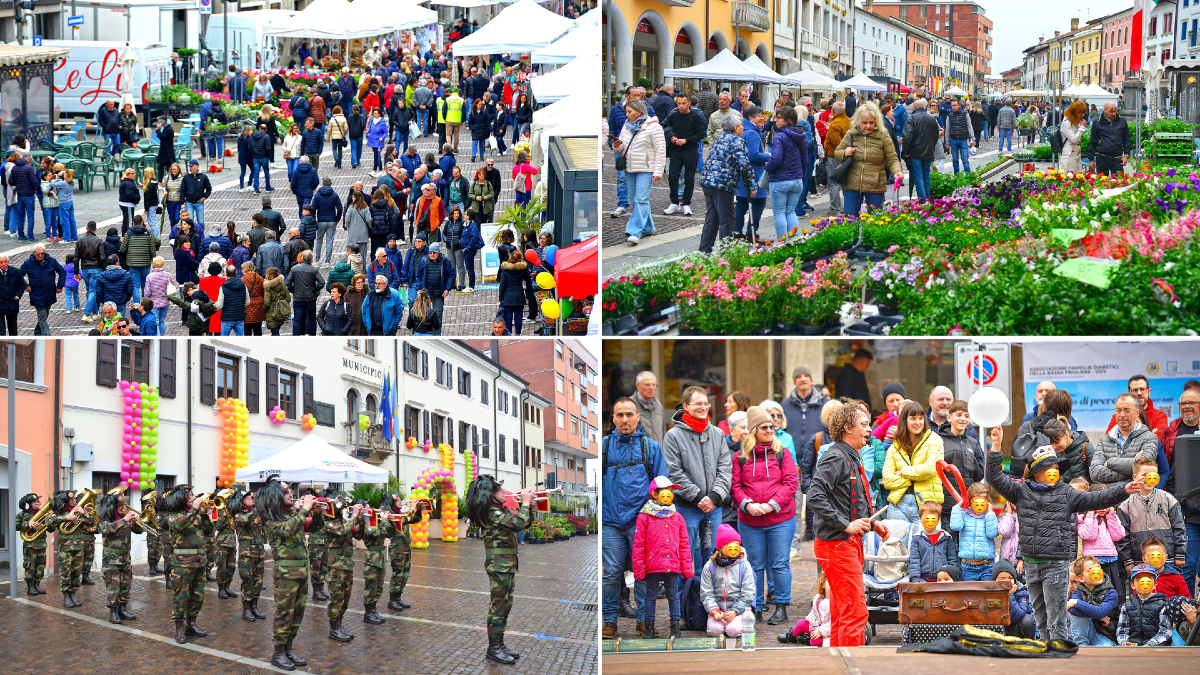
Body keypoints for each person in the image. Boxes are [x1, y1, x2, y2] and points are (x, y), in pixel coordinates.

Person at [988, 430, 1144, 641]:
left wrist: (1123, 490)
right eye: (1049, 468)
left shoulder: (1066, 493)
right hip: (1032, 564)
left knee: (1057, 615)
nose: (1054, 471)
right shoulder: (1020, 491)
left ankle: (1060, 649)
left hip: (1056, 563)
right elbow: (994, 477)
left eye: (1056, 468)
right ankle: (1047, 650)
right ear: (1036, 470)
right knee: (1040, 615)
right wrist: (996, 445)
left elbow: (1097, 498)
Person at [806, 401, 889, 645]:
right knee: (855, 612)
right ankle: (854, 666)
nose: (869, 430)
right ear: (846, 428)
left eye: (869, 424)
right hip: (837, 545)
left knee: (844, 612)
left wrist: (872, 524)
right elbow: (814, 496)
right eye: (863, 425)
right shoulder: (836, 457)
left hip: (845, 544)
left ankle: (840, 663)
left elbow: (849, 501)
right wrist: (846, 525)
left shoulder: (851, 456)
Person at [601, 396, 670, 638]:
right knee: (611, 573)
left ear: (638, 417)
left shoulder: (650, 448)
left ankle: (644, 620)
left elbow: (662, 487)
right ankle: (609, 620)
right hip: (610, 522)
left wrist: (658, 519)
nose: (625, 419)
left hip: (642, 522)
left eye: (629, 414)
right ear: (613, 419)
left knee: (643, 573)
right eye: (619, 415)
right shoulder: (604, 447)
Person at [733, 405, 799, 625]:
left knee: (780, 564)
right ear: (753, 430)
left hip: (780, 519)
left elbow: (791, 483)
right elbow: (735, 485)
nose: (770, 430)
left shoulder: (782, 453)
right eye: (764, 427)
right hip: (750, 521)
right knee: (754, 565)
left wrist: (771, 505)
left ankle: (781, 607)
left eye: (771, 426)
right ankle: (756, 607)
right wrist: (746, 504)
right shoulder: (740, 457)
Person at [664, 385, 733, 575]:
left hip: (714, 507)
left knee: (714, 556)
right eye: (698, 404)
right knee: (686, 557)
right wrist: (698, 497)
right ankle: (687, 602)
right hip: (687, 507)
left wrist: (713, 496)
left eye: (706, 403)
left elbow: (725, 469)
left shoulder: (718, 434)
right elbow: (674, 472)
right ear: (686, 406)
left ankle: (709, 602)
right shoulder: (673, 436)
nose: (703, 407)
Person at [464, 474, 533, 664]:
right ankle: (493, 649)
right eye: (499, 490)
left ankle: (500, 644)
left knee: (506, 605)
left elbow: (524, 523)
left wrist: (527, 505)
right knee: (498, 607)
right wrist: (525, 504)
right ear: (491, 495)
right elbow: (517, 524)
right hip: (499, 565)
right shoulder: (491, 513)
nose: (504, 492)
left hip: (507, 564)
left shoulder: (499, 510)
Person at [256, 477, 318, 670]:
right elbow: (288, 530)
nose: (291, 494)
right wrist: (304, 509)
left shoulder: (292, 514)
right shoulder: (272, 519)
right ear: (275, 497)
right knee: (284, 613)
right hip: (285, 573)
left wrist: (317, 514)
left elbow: (314, 528)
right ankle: (278, 653)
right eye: (286, 492)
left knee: (298, 614)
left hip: (301, 571)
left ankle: (289, 650)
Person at [632, 475, 693, 639]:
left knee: (673, 596)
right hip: (653, 565)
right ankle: (649, 628)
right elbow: (638, 544)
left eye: (671, 492)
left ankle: (675, 628)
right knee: (650, 596)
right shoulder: (644, 516)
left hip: (672, 564)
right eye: (665, 492)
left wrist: (687, 568)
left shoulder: (677, 517)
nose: (669, 495)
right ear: (655, 494)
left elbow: (684, 544)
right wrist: (639, 569)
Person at [1117, 457, 1188, 579]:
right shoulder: (1125, 505)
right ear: (1135, 477)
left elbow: (1179, 528)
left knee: (1168, 589)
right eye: (1145, 475)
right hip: (1139, 561)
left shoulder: (1168, 499)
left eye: (1153, 475)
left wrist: (1180, 553)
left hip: (1167, 560)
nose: (1150, 478)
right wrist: (1127, 560)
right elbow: (1122, 535)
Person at [161, 485, 214, 644]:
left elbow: (209, 530)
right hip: (182, 564)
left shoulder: (195, 515)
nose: (192, 498)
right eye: (189, 496)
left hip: (199, 562)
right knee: (182, 596)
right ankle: (179, 628)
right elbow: (179, 525)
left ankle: (191, 624)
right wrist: (194, 510)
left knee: (198, 596)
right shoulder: (172, 516)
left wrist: (204, 515)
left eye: (191, 496)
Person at [698, 115, 755, 254]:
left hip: (708, 182)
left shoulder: (721, 138)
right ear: (736, 128)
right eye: (741, 125)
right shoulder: (736, 140)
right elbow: (743, 164)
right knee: (727, 219)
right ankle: (726, 253)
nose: (742, 127)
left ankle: (704, 252)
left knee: (712, 218)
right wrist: (752, 185)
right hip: (722, 184)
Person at [835, 103, 902, 216]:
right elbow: (837, 152)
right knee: (851, 221)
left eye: (871, 122)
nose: (868, 126)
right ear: (858, 121)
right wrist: (845, 152)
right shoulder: (851, 133)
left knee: (875, 221)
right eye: (864, 123)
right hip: (853, 183)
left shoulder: (883, 134)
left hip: (875, 184)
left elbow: (892, 157)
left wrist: (897, 171)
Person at [613, 99, 665, 245]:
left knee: (641, 199)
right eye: (626, 112)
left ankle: (634, 231)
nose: (627, 115)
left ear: (639, 112)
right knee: (634, 199)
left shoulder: (654, 127)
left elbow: (661, 150)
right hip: (630, 167)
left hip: (646, 168)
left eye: (630, 112)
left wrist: (658, 171)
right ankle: (648, 227)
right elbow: (621, 148)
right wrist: (616, 145)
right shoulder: (626, 126)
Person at [701, 523, 756, 637]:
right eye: (730, 544)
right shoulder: (710, 566)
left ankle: (744, 621)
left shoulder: (744, 566)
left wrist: (735, 611)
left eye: (737, 544)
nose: (734, 548)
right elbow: (706, 593)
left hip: (739, 610)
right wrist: (714, 610)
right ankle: (720, 622)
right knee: (714, 631)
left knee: (733, 631)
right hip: (718, 609)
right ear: (720, 547)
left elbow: (748, 593)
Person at [1092, 393, 1160, 485]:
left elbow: (1144, 467)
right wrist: (1132, 471)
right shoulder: (1104, 440)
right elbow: (1095, 473)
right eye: (1118, 410)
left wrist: (1110, 462)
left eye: (1127, 410)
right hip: (1109, 497)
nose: (1122, 414)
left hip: (1136, 495)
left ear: (1137, 413)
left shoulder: (1149, 438)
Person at [764, 105, 808, 240]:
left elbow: (776, 159)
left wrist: (767, 168)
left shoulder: (780, 136)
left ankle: (783, 244)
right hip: (796, 180)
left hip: (780, 180)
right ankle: (794, 242)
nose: (775, 120)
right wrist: (800, 175)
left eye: (778, 118)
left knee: (779, 213)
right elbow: (804, 160)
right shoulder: (801, 135)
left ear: (786, 120)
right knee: (790, 212)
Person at [662, 92, 705, 218]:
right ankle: (674, 202)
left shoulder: (695, 117)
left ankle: (686, 203)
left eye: (683, 103)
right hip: (675, 150)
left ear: (689, 104)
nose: (681, 106)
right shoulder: (673, 115)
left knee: (689, 178)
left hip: (690, 151)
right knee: (673, 176)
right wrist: (672, 136)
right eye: (679, 103)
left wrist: (686, 140)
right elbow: (666, 127)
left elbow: (700, 134)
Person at [229, 489, 266, 622]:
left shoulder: (257, 513)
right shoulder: (238, 515)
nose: (251, 499)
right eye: (248, 498)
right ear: (241, 501)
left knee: (258, 582)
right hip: (247, 554)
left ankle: (254, 607)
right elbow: (246, 520)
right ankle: (246, 610)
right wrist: (258, 509)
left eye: (252, 497)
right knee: (247, 582)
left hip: (259, 552)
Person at [950, 482, 1000, 581]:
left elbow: (992, 533)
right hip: (967, 566)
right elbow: (955, 526)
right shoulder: (964, 514)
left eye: (983, 501)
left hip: (987, 565)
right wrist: (957, 508)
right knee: (970, 595)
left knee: (987, 595)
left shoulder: (989, 516)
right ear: (969, 501)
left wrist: (990, 513)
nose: (979, 505)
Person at [1117, 564, 1174, 646]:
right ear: (1132, 585)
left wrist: (1150, 644)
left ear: (1154, 584)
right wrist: (1124, 642)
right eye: (1139, 579)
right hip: (1134, 647)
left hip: (1157, 648)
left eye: (1149, 579)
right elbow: (1122, 629)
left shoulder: (1162, 604)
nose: (1144, 583)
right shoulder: (1127, 605)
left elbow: (1166, 630)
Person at [1070, 554, 1121, 645]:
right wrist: (1098, 615)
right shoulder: (1078, 592)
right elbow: (1073, 611)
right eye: (1091, 570)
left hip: (1106, 637)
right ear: (1080, 578)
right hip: (1088, 632)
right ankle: (1081, 646)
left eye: (1098, 569)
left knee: (1108, 653)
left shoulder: (1111, 593)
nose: (1096, 572)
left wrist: (1077, 603)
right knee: (1077, 615)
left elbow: (1100, 612)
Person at [1106, 375, 1170, 443]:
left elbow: (1159, 441)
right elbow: (1109, 441)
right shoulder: (1118, 416)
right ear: (1129, 393)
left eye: (1142, 389)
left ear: (1149, 391)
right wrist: (1150, 434)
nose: (1139, 393)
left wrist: (1125, 439)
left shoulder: (1159, 416)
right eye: (1135, 390)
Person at [21, 244, 66, 335]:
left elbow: (62, 271)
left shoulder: (51, 261)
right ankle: (47, 336)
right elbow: (18, 276)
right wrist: (25, 286)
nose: (40, 256)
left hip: (49, 293)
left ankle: (37, 332)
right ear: (34, 253)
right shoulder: (28, 263)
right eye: (38, 254)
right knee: (42, 316)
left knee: (45, 315)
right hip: (36, 293)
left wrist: (60, 286)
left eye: (42, 253)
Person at [779, 571, 831, 645]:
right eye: (830, 581)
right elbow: (814, 614)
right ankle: (793, 636)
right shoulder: (818, 599)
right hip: (817, 625)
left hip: (828, 631)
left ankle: (807, 639)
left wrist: (821, 631)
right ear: (823, 585)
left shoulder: (839, 603)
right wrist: (811, 623)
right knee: (801, 624)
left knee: (815, 642)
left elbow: (835, 623)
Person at [909, 500, 956, 582]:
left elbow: (952, 558)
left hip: (943, 580)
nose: (930, 521)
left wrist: (954, 576)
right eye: (927, 517)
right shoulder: (917, 538)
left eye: (933, 518)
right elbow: (914, 560)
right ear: (920, 518)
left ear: (938, 520)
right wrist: (915, 578)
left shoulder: (946, 537)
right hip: (923, 579)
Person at [822, 102, 851, 215]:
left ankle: (834, 209)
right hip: (846, 155)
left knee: (833, 182)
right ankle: (849, 206)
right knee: (844, 182)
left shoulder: (835, 124)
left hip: (835, 155)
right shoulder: (848, 121)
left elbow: (837, 144)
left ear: (833, 110)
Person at [286, 250, 323, 336]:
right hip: (310, 298)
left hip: (298, 298)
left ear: (302, 258)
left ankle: (296, 336)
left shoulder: (294, 268)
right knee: (312, 319)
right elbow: (321, 282)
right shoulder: (313, 269)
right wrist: (314, 290)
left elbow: (287, 283)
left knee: (297, 320)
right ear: (311, 260)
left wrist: (293, 290)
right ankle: (312, 336)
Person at [1088, 102, 1131, 176]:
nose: (1113, 114)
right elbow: (1093, 141)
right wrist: (1091, 159)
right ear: (1104, 110)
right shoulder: (1097, 122)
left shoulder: (1122, 121)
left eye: (1115, 111)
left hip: (1117, 158)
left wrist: (1126, 155)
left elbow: (1126, 139)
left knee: (1119, 182)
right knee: (1102, 183)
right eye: (1111, 111)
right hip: (1102, 158)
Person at [311, 177, 343, 268]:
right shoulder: (334, 195)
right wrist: (337, 218)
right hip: (332, 220)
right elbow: (340, 208)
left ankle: (317, 261)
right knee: (329, 241)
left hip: (321, 220)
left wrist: (314, 219)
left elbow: (313, 208)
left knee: (319, 240)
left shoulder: (317, 195)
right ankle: (327, 262)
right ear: (330, 184)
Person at [181, 160, 212, 231]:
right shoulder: (186, 177)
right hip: (189, 203)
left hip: (199, 203)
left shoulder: (203, 177)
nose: (190, 168)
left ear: (197, 167)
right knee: (190, 221)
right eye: (190, 167)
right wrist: (182, 201)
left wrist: (204, 197)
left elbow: (209, 188)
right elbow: (182, 189)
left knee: (201, 222)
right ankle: (191, 236)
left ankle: (201, 235)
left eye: (192, 166)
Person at [1060, 100, 1087, 173]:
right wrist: (1082, 127)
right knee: (1069, 177)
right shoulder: (1066, 122)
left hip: (1075, 153)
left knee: (1076, 178)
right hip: (1069, 154)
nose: (1082, 115)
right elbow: (1073, 139)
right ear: (1075, 112)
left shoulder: (1073, 121)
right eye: (1081, 113)